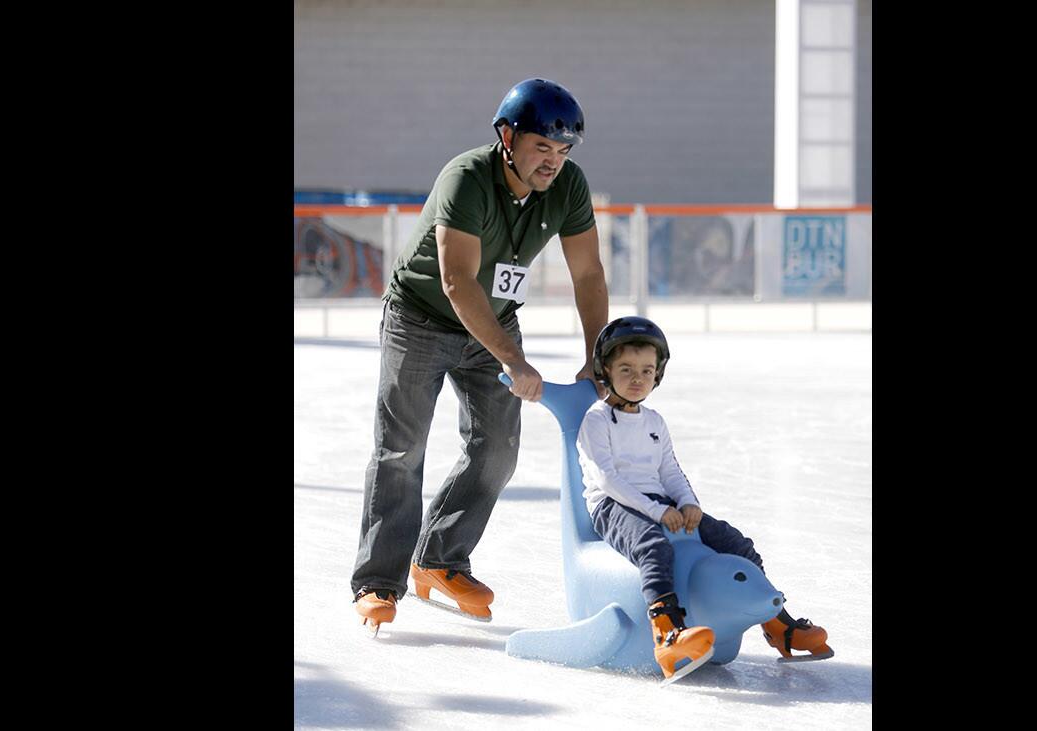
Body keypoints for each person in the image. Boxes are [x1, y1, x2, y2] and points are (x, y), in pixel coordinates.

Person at [351, 78, 610, 633]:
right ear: (507, 136)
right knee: (401, 449)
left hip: (495, 321)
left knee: (497, 449)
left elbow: (587, 273)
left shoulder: (569, 187)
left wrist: (597, 355)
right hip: (421, 318)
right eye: (542, 147)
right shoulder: (466, 178)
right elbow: (456, 281)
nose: (554, 163)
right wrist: (514, 361)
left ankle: (440, 559)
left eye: (564, 151)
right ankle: (378, 580)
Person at [577, 316, 833, 681]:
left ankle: (779, 626)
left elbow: (670, 472)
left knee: (736, 543)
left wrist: (687, 503)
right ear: (606, 369)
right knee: (653, 546)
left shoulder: (654, 421)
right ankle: (668, 633)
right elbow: (607, 478)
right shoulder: (596, 421)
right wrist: (656, 510)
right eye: (626, 369)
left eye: (647, 370)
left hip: (660, 500)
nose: (638, 379)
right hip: (611, 505)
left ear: (658, 373)